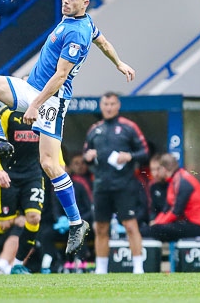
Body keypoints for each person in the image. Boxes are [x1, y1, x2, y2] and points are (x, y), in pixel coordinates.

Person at [0, 0, 136, 259]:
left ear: (84, 3)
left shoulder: (76, 34)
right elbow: (103, 41)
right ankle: (0, 139)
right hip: (33, 89)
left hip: (50, 99)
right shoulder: (84, 24)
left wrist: (34, 105)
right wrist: (119, 63)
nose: (65, 0)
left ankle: (76, 222)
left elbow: (60, 76)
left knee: (48, 163)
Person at [0, 108, 47, 275]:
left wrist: (60, 167)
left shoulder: (45, 113)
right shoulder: (8, 114)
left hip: (33, 175)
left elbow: (54, 143)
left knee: (34, 218)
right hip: (10, 174)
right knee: (6, 223)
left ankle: (18, 264)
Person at [83, 92, 149, 275]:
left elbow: (144, 152)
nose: (109, 107)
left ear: (118, 105)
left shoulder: (129, 127)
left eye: (112, 104)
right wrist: (88, 157)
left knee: (130, 225)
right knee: (101, 227)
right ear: (101, 106)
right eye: (106, 104)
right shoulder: (94, 129)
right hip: (101, 186)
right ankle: (101, 269)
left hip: (124, 185)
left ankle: (138, 268)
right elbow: (85, 155)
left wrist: (130, 156)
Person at [149, 153, 200, 241]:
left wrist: (157, 224)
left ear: (163, 169)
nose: (156, 173)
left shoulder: (183, 181)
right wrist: (157, 222)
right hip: (191, 223)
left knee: (157, 230)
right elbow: (166, 209)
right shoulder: (175, 180)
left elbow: (176, 211)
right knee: (155, 229)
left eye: (158, 169)